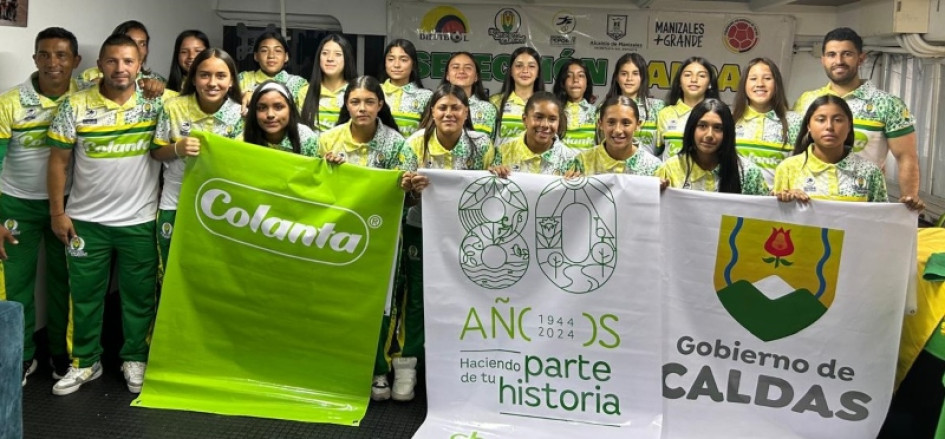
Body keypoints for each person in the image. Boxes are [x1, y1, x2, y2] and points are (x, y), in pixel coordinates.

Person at [46, 34, 172, 396]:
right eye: (113, 61)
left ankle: (135, 357)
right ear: (99, 64)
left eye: (129, 62)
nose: (121, 69)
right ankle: (85, 362)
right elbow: (58, 162)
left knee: (139, 296)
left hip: (140, 220)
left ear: (140, 65)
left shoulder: (156, 104)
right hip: (87, 221)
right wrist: (58, 213)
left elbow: (198, 106)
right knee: (83, 296)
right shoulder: (74, 106)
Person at [396, 83, 496, 401]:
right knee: (416, 300)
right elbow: (403, 200)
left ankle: (461, 367)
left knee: (466, 299)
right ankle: (407, 365)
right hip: (420, 230)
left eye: (455, 108)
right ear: (432, 112)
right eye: (442, 108)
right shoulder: (414, 145)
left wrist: (498, 173)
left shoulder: (483, 145)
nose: (449, 113)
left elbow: (493, 194)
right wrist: (412, 189)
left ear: (466, 113)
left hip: (467, 236)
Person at [0, 27, 82, 386]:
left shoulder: (88, 97)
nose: (53, 63)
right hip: (15, 206)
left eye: (62, 55)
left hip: (69, 206)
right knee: (14, 288)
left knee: (66, 283)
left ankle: (61, 355)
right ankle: (20, 357)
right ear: (35, 59)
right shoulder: (9, 103)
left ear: (75, 61)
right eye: (45, 55)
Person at [793, 27, 922, 209]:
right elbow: (796, 151)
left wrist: (908, 205)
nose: (838, 61)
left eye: (847, 54)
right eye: (831, 54)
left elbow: (906, 157)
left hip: (862, 203)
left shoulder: (888, 104)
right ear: (823, 60)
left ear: (861, 58)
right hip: (810, 201)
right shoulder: (806, 101)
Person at [151, 48, 244, 270]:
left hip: (222, 206)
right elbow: (155, 152)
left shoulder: (241, 114)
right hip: (175, 202)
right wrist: (177, 148)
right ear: (193, 78)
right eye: (204, 75)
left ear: (232, 81)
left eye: (221, 76)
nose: (212, 82)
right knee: (171, 268)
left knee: (211, 270)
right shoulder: (173, 108)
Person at [775, 95, 922, 211]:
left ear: (849, 126)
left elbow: (880, 221)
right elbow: (774, 217)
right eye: (820, 120)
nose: (829, 127)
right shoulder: (788, 168)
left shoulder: (870, 172)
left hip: (856, 248)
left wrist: (907, 208)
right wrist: (786, 199)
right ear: (809, 126)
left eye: (838, 120)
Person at [657, 99, 767, 195]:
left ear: (728, 133)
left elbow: (764, 213)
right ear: (692, 129)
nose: (709, 135)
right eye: (702, 126)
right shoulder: (670, 169)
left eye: (718, 128)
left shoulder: (749, 173)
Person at [732, 58, 802, 187]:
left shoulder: (795, 122)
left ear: (777, 84)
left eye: (767, 78)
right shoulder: (730, 121)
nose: (760, 84)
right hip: (735, 201)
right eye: (753, 79)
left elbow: (801, 166)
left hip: (777, 203)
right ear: (744, 85)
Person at [493, 91, 576, 175]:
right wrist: (494, 173)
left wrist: (575, 182)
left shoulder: (570, 159)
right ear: (525, 119)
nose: (545, 125)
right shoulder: (502, 154)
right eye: (539, 117)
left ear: (559, 122)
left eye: (552, 119)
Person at [577, 96, 663, 177]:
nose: (618, 130)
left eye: (626, 123)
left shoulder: (653, 167)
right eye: (611, 122)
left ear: (638, 125)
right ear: (600, 124)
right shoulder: (582, 162)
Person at [79, 20, 166, 98]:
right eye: (131, 42)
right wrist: (98, 86)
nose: (137, 49)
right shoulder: (89, 75)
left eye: (142, 44)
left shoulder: (157, 80)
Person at [657, 56, 719, 160]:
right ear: (679, 82)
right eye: (687, 75)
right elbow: (656, 152)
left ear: (710, 84)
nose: (694, 80)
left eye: (701, 76)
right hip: (670, 176)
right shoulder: (665, 114)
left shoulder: (718, 115)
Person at [603, 53, 664, 155]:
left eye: (635, 73)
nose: (629, 78)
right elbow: (598, 146)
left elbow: (665, 147)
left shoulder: (658, 108)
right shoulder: (605, 108)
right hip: (612, 169)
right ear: (617, 78)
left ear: (643, 77)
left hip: (649, 169)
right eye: (624, 73)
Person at [242, 80, 322, 157]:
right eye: (262, 108)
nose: (270, 114)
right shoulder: (243, 139)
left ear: (290, 109)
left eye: (278, 107)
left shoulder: (306, 139)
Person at [300, 34, 357, 132]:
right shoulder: (305, 92)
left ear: (347, 59)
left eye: (338, 54)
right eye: (325, 53)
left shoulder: (356, 92)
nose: (330, 58)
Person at [238, 31, 308, 110]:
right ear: (256, 56)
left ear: (286, 57)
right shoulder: (242, 79)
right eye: (264, 50)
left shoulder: (299, 84)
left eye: (278, 51)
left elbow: (306, 118)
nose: (271, 56)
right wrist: (242, 96)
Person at [490, 46, 544, 147]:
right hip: (503, 162)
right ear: (511, 71)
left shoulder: (547, 105)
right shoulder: (495, 102)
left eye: (531, 66)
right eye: (519, 66)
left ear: (538, 73)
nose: (525, 70)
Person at [379, 39, 432, 137]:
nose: (396, 65)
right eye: (391, 59)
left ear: (413, 65)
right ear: (385, 63)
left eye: (403, 60)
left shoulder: (426, 96)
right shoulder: (374, 92)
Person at [440, 51, 496, 137]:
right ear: (447, 75)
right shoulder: (437, 105)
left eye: (468, 68)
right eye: (455, 67)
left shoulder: (488, 109)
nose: (461, 71)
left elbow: (491, 144)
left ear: (476, 77)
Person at [551, 58, 596, 150]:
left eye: (581, 75)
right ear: (563, 83)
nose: (575, 80)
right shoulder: (553, 111)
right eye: (569, 76)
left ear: (587, 82)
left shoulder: (596, 112)